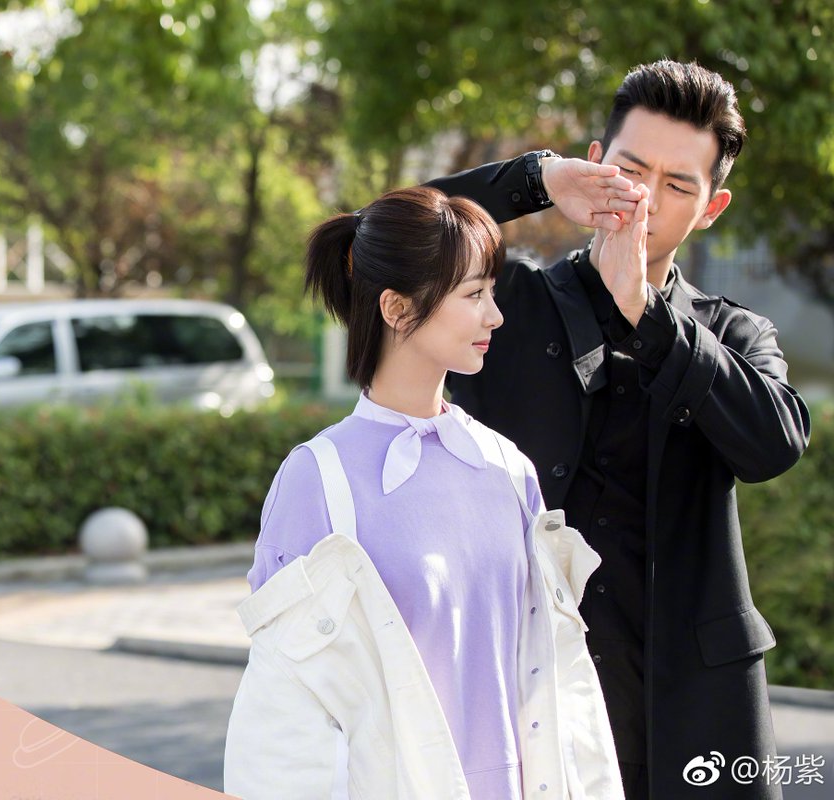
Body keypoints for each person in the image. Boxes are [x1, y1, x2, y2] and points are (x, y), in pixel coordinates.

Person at [425, 59, 811, 799]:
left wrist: (651, 316)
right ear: (596, 162)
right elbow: (373, 240)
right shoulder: (505, 306)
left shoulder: (734, 335)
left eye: (677, 186)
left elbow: (774, 444)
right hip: (522, 695)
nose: (646, 199)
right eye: (630, 170)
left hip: (688, 712)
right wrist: (536, 178)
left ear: (711, 209)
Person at [224, 185, 628, 799]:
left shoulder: (508, 470)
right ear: (396, 307)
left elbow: (552, 677)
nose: (494, 316)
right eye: (473, 295)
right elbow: (287, 714)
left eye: (491, 292)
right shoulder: (319, 479)